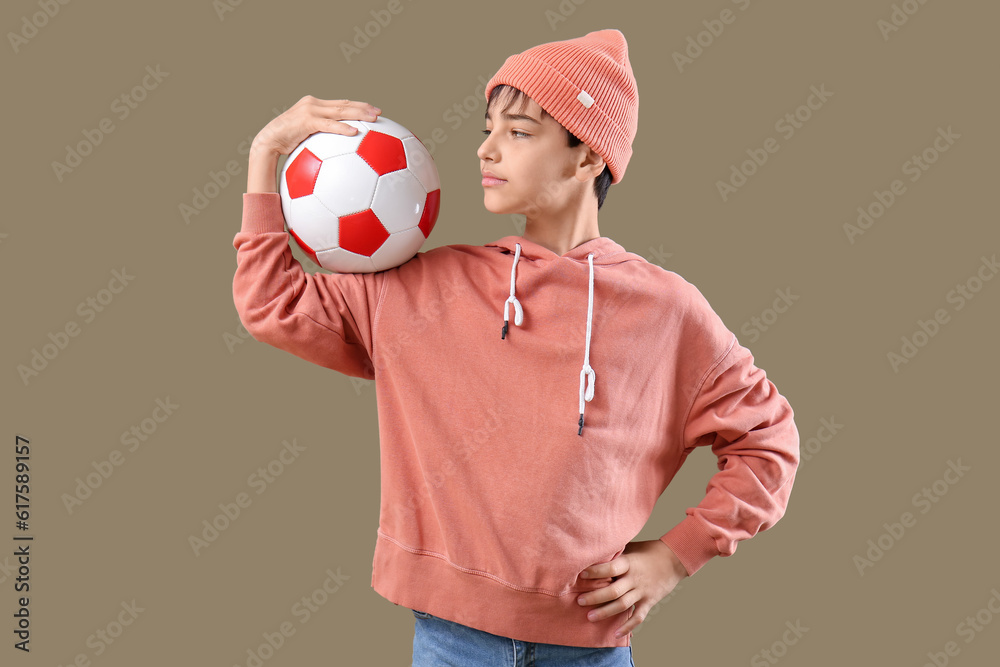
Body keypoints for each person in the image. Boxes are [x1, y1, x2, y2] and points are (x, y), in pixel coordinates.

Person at [233, 28, 799, 667]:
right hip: (449, 642)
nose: (486, 148)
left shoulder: (669, 312)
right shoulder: (422, 284)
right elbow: (270, 302)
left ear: (588, 157)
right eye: (488, 127)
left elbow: (768, 442)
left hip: (589, 648)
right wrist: (265, 154)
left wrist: (675, 556)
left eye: (520, 132)